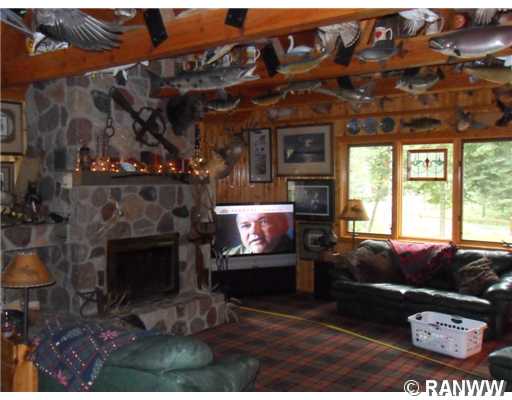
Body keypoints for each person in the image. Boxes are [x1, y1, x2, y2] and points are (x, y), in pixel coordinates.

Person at [224, 212, 293, 255]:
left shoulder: (294, 251)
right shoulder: (227, 255)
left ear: (283, 226)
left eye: (263, 222)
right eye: (246, 225)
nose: (253, 231)